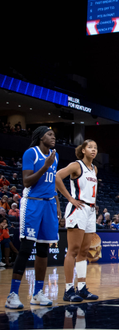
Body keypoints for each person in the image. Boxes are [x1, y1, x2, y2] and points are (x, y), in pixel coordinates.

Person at [5, 126, 61, 309]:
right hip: (33, 203)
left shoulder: (55, 155)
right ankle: (12, 294)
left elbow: (52, 183)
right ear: (40, 137)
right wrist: (45, 166)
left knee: (44, 249)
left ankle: (38, 293)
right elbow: (27, 181)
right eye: (50, 134)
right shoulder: (32, 153)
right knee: (27, 247)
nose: (53, 137)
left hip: (49, 204)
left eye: (54, 135)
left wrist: (57, 205)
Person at [55, 139, 99, 302]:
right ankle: (68, 290)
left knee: (84, 251)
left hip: (90, 210)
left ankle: (81, 288)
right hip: (77, 209)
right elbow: (57, 177)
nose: (93, 150)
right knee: (72, 250)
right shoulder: (76, 165)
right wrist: (70, 199)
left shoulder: (94, 169)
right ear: (83, 150)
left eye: (95, 148)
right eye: (90, 147)